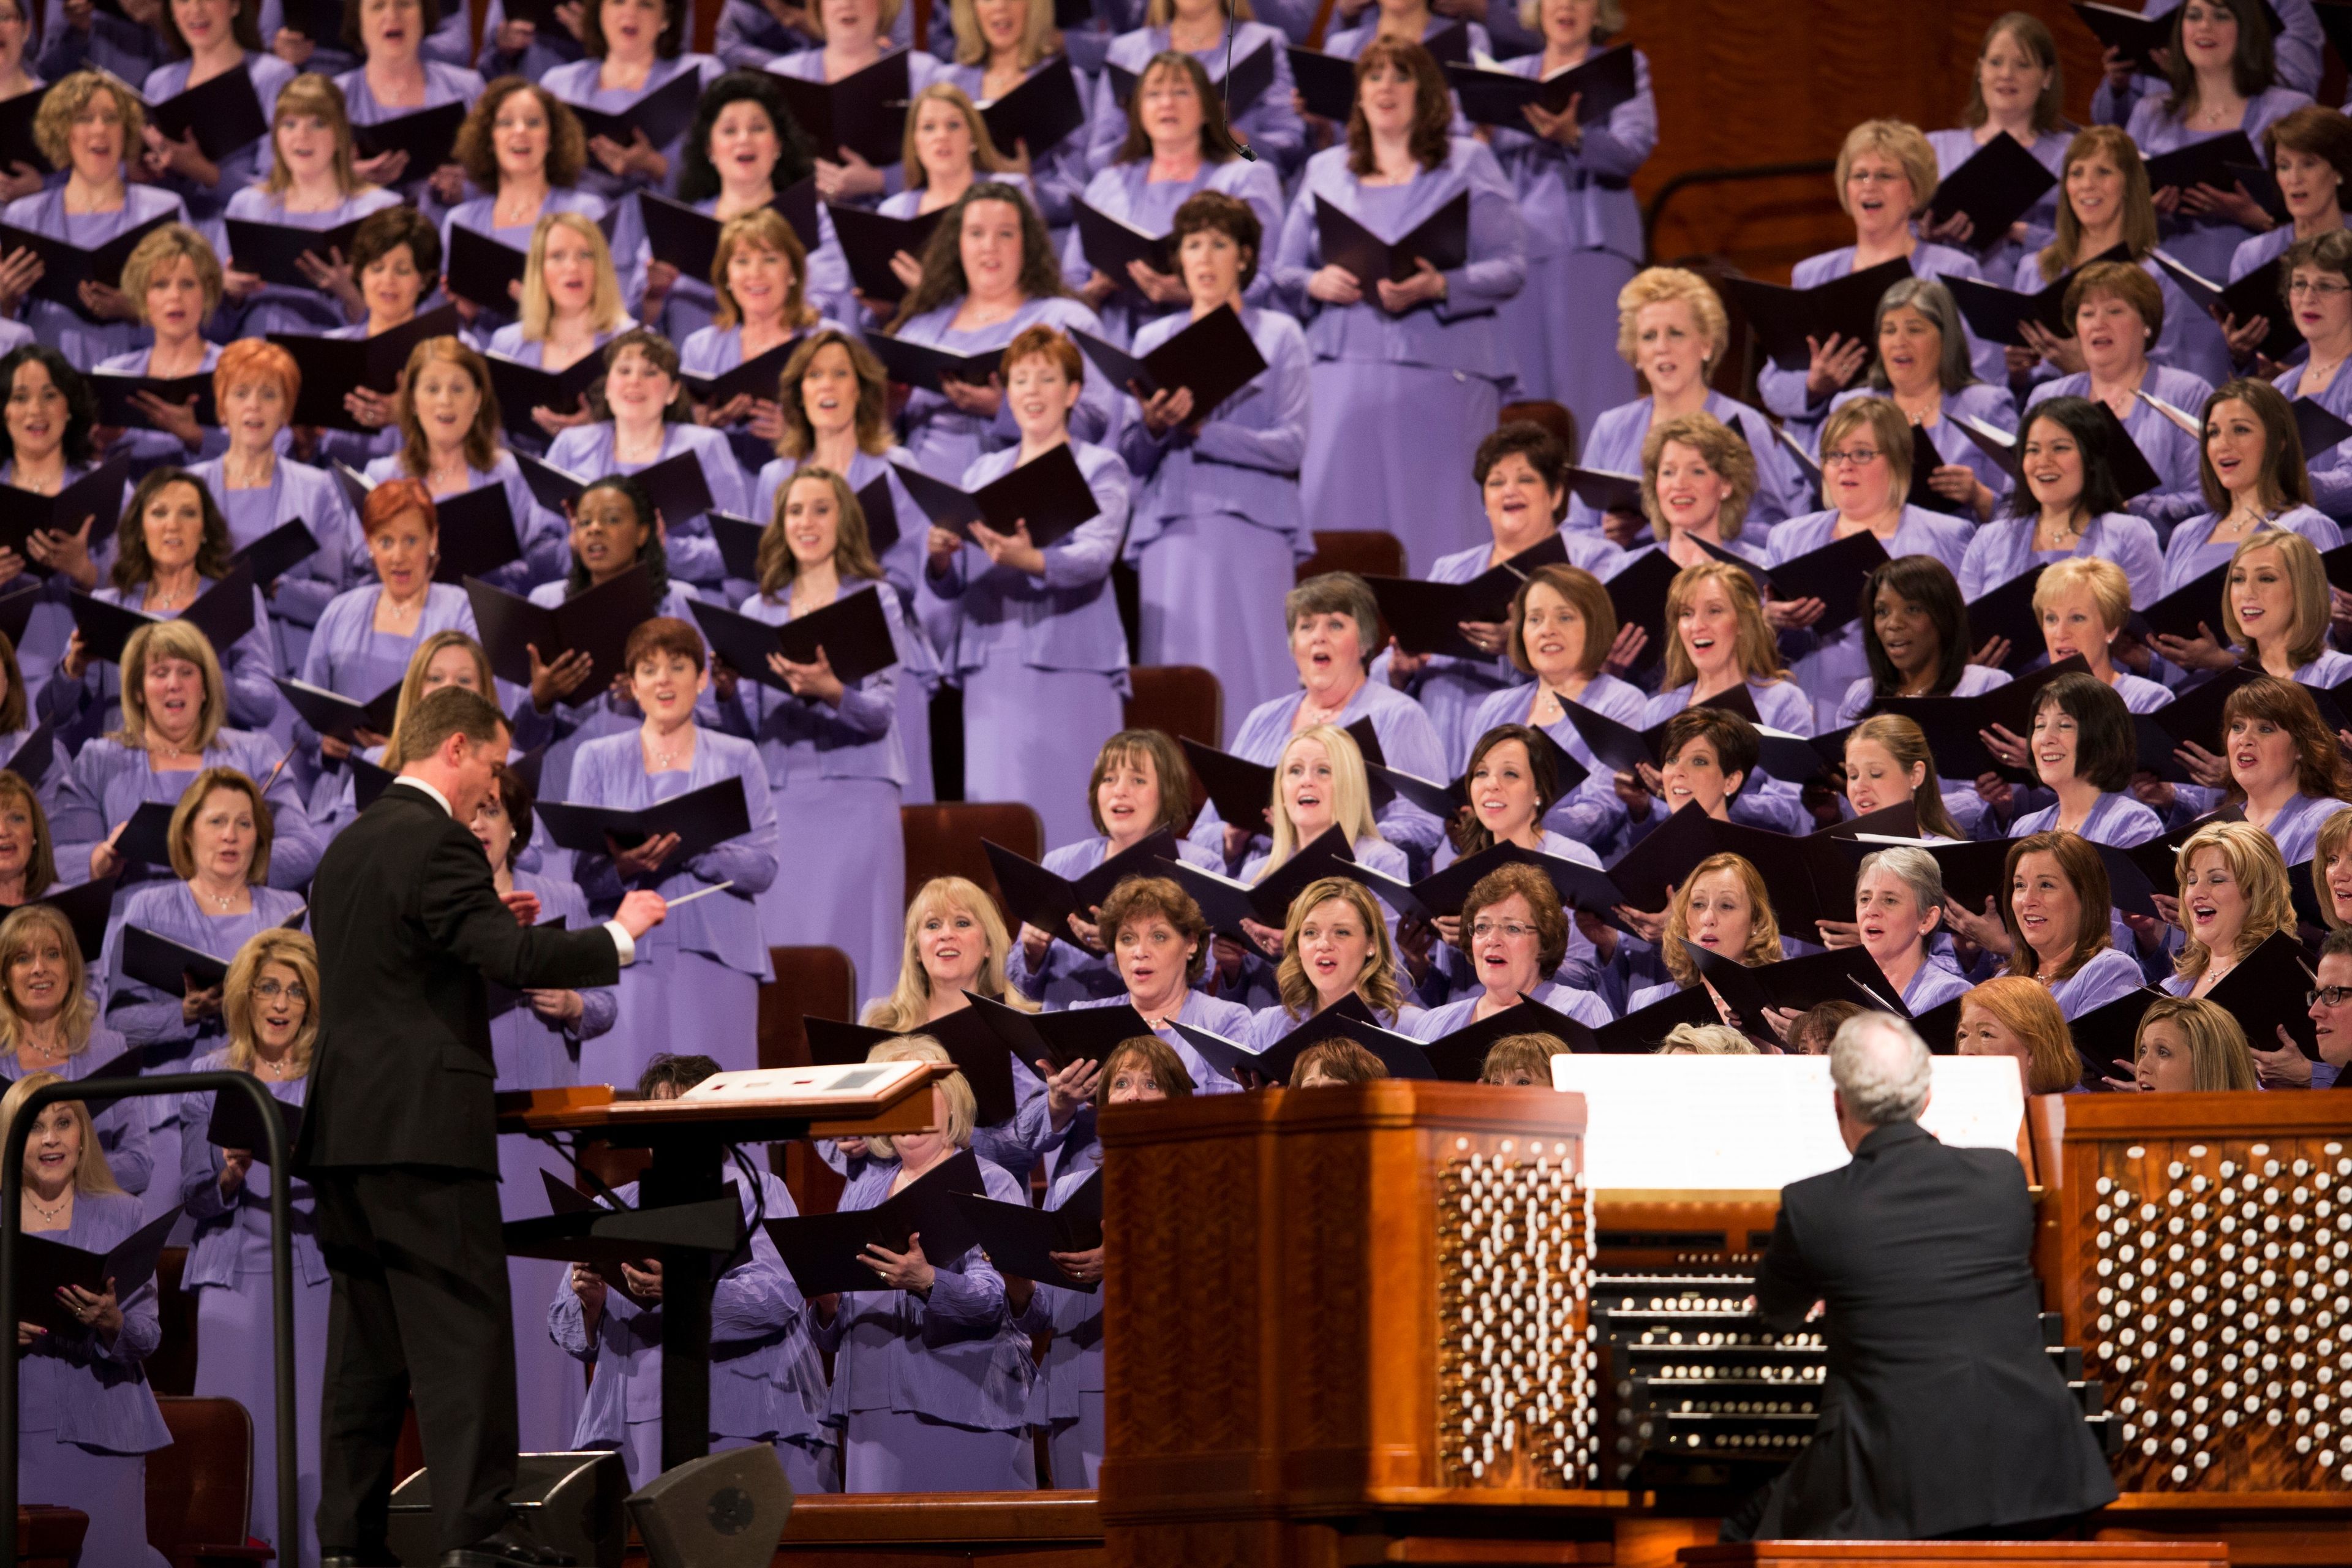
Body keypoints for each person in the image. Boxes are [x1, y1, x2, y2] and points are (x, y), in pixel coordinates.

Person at [303, 683, 665, 1568]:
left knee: (367, 1349)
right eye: (493, 769)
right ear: (455, 749)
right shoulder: (438, 840)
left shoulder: (347, 849)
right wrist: (616, 936)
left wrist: (484, 935)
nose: (493, 792)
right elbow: (509, 958)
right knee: (462, 1332)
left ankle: (349, 1542)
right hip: (425, 1129)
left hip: (345, 1135)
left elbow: (403, 971)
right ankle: (477, 1533)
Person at [1722, 1011, 2117, 1540]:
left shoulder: (1813, 1204)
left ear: (1838, 1102)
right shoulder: (2003, 1178)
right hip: (2039, 1467)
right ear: (1925, 1098)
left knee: (1738, 1531)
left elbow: (1775, 1313)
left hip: (1892, 1477)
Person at [1275, 39, 1525, 568]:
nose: (1385, 86)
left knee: (1443, 520)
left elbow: (1510, 265)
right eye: (1373, 76)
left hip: (1444, 369)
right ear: (1359, 97)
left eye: (1401, 75)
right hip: (1343, 372)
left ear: (1426, 93)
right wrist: (1317, 283)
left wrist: (1440, 286)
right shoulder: (1325, 169)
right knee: (1341, 523)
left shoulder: (1467, 162)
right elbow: (1284, 271)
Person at [550, 1051, 833, 1492]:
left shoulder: (756, 1189)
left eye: (687, 1113)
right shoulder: (612, 1202)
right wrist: (592, 1304)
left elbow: (778, 1295)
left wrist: (685, 1292)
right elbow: (565, 1328)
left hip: (740, 1406)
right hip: (633, 1418)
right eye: (660, 1114)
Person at [915, 325, 1130, 842]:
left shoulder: (1101, 465)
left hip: (1073, 656)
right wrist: (941, 560)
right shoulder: (982, 470)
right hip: (993, 661)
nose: (1032, 391)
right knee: (1001, 818)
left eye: (1046, 378)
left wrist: (1030, 557)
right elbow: (957, 580)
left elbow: (1097, 556)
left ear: (1073, 392)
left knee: (1076, 814)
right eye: (1021, 379)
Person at [1117, 189, 1311, 733]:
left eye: (1219, 244)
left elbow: (1292, 444)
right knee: (1181, 681)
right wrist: (1155, 426)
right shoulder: (1152, 337)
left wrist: (1204, 431)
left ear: (1245, 257)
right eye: (1193, 244)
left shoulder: (1279, 334)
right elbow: (1129, 454)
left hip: (1256, 525)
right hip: (1171, 527)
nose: (1203, 257)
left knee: (1256, 672)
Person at [466, 757, 614, 1455]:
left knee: (537, 1298)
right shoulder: (442, 904)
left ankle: (550, 1462)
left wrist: (574, 1002)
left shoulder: (561, 893)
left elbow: (607, 1001)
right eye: (469, 811)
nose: (480, 823)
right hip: (465, 1121)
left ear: (515, 824)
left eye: (493, 810)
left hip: (545, 1129)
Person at [812, 1032, 1036, 1489]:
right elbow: (835, 1328)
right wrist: (826, 1301)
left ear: (952, 1104)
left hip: (965, 1400)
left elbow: (1000, 1301)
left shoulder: (991, 1183)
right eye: (895, 1096)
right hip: (869, 1404)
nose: (908, 1110)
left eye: (920, 1094)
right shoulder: (860, 1192)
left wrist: (928, 1281)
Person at [728, 466, 921, 997]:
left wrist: (830, 689)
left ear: (845, 521)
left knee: (861, 940)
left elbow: (881, 713)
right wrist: (726, 689)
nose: (806, 522)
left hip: (858, 792)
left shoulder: (876, 598)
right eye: (794, 511)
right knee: (791, 942)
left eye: (820, 509)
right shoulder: (757, 608)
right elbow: (746, 723)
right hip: (784, 795)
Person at [568, 617, 777, 1083]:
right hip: (627, 955)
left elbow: (764, 868)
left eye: (678, 666)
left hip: (719, 954)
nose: (663, 678)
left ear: (701, 680)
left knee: (719, 1099)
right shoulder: (596, 758)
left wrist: (695, 850)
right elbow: (583, 876)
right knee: (628, 1097)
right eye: (649, 668)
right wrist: (624, 865)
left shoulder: (738, 755)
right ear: (632, 686)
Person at [178, 927, 328, 1568]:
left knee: (310, 1450)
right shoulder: (209, 1073)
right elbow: (192, 1193)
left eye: (296, 990)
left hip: (311, 1274)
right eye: (269, 985)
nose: (281, 1001)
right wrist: (229, 1175)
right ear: (246, 993)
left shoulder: (328, 1074)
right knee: (239, 1445)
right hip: (232, 1280)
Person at [747, 328, 940, 796]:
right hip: (795, 652)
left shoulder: (895, 465)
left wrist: (844, 567)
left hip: (879, 648)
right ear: (800, 392)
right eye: (815, 376)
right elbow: (766, 566)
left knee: (896, 792)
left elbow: (911, 574)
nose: (827, 386)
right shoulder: (776, 474)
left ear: (862, 387)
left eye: (840, 374)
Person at [99, 767, 307, 1199]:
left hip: (270, 1114)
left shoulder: (288, 910)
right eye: (217, 822)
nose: (231, 835)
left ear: (260, 836)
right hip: (171, 1115)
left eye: (244, 823)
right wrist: (184, 1013)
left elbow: (315, 1010)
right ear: (188, 833)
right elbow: (116, 1025)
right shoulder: (148, 908)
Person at [0, 1072, 174, 1568]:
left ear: (83, 1139)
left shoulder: (124, 1214)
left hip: (106, 1431)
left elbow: (148, 1335)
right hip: (17, 1434)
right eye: (33, 1127)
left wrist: (111, 1322)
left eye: (63, 1122)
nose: (51, 1138)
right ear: (11, 1140)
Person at [1379, 421, 1622, 761]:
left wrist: (1519, 642)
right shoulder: (1450, 570)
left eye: (1525, 479)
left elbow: (1610, 649)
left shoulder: (1593, 559)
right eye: (1496, 482)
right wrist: (1401, 668)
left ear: (1556, 495)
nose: (1510, 491)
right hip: (1443, 737)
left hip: (1539, 744)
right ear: (1485, 501)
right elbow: (1386, 672)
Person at [1012, 1031, 1188, 1487]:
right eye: (1123, 1084)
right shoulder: (1070, 1189)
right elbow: (1043, 1313)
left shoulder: (1200, 1184)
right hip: (1074, 1388)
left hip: (1169, 1384)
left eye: (1151, 1084)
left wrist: (1124, 1260)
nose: (1134, 1095)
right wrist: (1018, 1281)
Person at [1753, 120, 1994, 446]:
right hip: (1824, 444)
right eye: (1860, 175)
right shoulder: (1812, 274)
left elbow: (1983, 373)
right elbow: (1774, 384)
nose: (1870, 186)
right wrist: (1814, 386)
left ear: (1914, 191)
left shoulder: (1953, 269)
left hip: (1920, 440)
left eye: (1885, 175)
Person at [1183, 571, 1447, 868]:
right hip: (1260, 884)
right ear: (1293, 645)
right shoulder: (1263, 718)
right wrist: (1232, 837)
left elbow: (1422, 827)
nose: (1319, 637)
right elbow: (1203, 834)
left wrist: (1329, 834)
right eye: (1306, 626)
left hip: (1348, 888)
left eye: (1335, 625)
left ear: (1364, 643)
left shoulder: (1398, 715)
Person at [1474, 0, 1651, 430]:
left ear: (1600, 11)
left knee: (1593, 394)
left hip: (1592, 247)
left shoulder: (1622, 67)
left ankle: (1601, 495)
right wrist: (1480, 138)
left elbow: (1634, 145)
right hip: (1518, 252)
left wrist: (1574, 137)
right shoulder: (1510, 73)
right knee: (1526, 401)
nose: (1566, 5)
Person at [54, 620, 322, 892]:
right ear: (138, 692)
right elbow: (59, 858)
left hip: (235, 921)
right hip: (132, 919)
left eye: (186, 672)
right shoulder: (98, 760)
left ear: (205, 689)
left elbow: (304, 848)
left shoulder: (255, 752)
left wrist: (237, 863)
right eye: (160, 673)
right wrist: (98, 861)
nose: (174, 684)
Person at [861, 875, 1088, 1181]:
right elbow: (849, 1134)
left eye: (962, 923)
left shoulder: (1018, 1024)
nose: (946, 935)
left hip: (984, 1191)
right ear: (916, 949)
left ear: (989, 947)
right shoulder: (880, 1022)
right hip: (887, 1194)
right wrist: (850, 1137)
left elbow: (1020, 1148)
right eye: (932, 925)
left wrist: (1057, 1106)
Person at [1765, 396, 1973, 729]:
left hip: (1906, 719)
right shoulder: (1788, 538)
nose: (1845, 465)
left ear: (1898, 460)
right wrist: (1771, 621)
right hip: (1811, 712)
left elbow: (1961, 632)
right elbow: (1765, 652)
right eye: (1834, 454)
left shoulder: (1947, 537)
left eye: (1862, 453)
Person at [887, 183, 1116, 483]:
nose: (989, 246)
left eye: (1005, 233)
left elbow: (1094, 423)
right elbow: (884, 433)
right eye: (976, 233)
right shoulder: (920, 328)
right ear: (958, 244)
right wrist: (890, 404)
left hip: (1021, 496)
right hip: (925, 505)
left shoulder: (1065, 321)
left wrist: (1004, 407)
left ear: (1027, 245)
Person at [42, 464, 282, 749]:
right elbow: (53, 717)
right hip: (129, 768)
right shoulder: (108, 604)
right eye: (159, 513)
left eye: (188, 513)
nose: (173, 525)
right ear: (140, 530)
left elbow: (264, 703)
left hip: (213, 766)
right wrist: (74, 668)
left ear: (204, 530)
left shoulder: (235, 598)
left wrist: (204, 675)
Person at [1567, 268, 1805, 540]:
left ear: (1706, 345)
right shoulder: (1611, 427)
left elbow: (1777, 531)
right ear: (1637, 354)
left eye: (1676, 333)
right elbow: (1576, 533)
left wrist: (1710, 529)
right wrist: (1607, 538)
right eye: (1648, 336)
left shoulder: (1745, 423)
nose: (1661, 347)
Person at [1065, 50, 1281, 347]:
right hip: (1117, 337)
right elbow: (1072, 277)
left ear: (1208, 108)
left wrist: (1189, 292)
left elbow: (1265, 277)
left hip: (1213, 338)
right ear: (1138, 110)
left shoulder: (1244, 179)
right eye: (1154, 94)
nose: (1167, 103)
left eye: (1181, 92)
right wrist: (1094, 290)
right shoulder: (1109, 182)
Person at [185, 341, 369, 674]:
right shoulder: (189, 488)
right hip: (207, 666)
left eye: (269, 395)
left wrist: (276, 589)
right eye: (241, 393)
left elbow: (338, 598)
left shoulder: (318, 489)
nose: (254, 406)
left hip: (292, 667)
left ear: (287, 411)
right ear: (222, 407)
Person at [1008, 729, 1220, 1009]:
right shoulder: (1061, 863)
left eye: (1138, 780)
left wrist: (1118, 946)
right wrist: (1032, 953)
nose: (1120, 791)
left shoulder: (1198, 866)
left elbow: (1205, 968)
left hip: (1154, 1036)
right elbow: (1021, 984)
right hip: (1067, 1030)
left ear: (1167, 792)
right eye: (1109, 779)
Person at [524, 473, 701, 802]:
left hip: (662, 783)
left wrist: (654, 701)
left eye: (612, 519)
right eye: (585, 522)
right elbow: (517, 735)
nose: (594, 529)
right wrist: (542, 699)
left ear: (643, 532)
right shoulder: (546, 604)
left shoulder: (678, 604)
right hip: (567, 780)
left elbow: (713, 715)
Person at [0, 71, 192, 371]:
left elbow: (198, 309)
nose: (100, 130)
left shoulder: (162, 211)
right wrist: (5, 301)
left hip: (138, 376)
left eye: (111, 118)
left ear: (126, 131)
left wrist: (135, 310)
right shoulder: (25, 216)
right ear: (63, 132)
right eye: (85, 119)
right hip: (48, 380)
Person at [2015, 130, 2228, 394]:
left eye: (2103, 172)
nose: (2087, 185)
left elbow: (2159, 379)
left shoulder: (2157, 274)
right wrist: (2017, 373)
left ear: (2129, 185)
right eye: (2076, 173)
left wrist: (2080, 365)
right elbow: (2018, 387)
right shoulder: (2035, 269)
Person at [2119, 0, 2313, 284]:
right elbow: (2115, 214)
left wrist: (2254, 216)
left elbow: (2326, 219)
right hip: (2159, 288)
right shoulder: (2150, 112)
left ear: (2247, 30)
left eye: (2221, 16)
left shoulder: (2290, 111)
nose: (2204, 26)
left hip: (2257, 282)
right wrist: (2145, 212)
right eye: (2194, 16)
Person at [545, 328, 748, 592]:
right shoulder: (571, 444)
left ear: (673, 391)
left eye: (650, 372)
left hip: (677, 598)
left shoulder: (705, 446)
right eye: (624, 371)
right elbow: (540, 549)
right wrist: (575, 546)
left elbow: (736, 551)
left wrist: (664, 549)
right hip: (587, 595)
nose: (635, 382)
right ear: (607, 386)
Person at [1463, 562, 1646, 852]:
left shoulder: (1621, 702)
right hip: (1497, 862)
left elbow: (1602, 810)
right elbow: (1471, 798)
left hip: (1579, 871)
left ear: (1594, 625)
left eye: (1565, 618)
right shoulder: (1496, 707)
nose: (1547, 630)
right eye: (1535, 619)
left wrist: (1520, 824)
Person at [363, 335, 569, 593]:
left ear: (478, 399)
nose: (445, 400)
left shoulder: (510, 472)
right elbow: (360, 566)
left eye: (458, 389)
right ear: (413, 400)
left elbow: (540, 560)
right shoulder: (382, 476)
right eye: (432, 389)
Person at [299, 480, 486, 763]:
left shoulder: (459, 612)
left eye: (411, 540)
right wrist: (321, 741)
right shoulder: (340, 612)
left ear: (433, 539)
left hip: (426, 782)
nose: (399, 557)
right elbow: (304, 719)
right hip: (344, 782)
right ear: (369, 543)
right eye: (386, 542)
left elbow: (478, 713)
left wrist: (403, 748)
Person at [1628, 560, 1812, 835]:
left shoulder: (1783, 701)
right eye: (1687, 614)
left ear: (1742, 622)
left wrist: (1703, 795)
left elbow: (1786, 808)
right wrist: (1641, 805)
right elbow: (1652, 828)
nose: (1697, 626)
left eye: (1714, 611)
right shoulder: (1659, 709)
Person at [649, 70, 834, 342]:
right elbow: (643, 324)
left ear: (778, 145)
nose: (744, 139)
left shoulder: (815, 219)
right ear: (710, 149)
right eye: (729, 130)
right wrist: (653, 295)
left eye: (758, 128)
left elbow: (826, 302)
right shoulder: (676, 226)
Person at [223, 74, 403, 337]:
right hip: (258, 355)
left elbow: (398, 319)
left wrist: (349, 293)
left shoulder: (379, 210)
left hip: (338, 351)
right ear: (276, 135)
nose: (302, 136)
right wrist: (230, 293)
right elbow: (216, 323)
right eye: (290, 124)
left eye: (318, 124)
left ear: (340, 135)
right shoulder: (247, 206)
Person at [1829, 277, 2016, 522]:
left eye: (1914, 330)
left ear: (1945, 339)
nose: (1899, 342)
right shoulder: (1852, 407)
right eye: (1889, 330)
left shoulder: (1987, 406)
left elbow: (2023, 510)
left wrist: (1978, 496)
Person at [1958, 395, 2165, 615]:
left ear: (2091, 459)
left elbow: (2145, 632)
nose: (2043, 462)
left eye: (2060, 448)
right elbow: (1966, 628)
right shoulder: (1990, 539)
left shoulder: (2131, 535)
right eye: (2033, 450)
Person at [538, 0, 723, 241]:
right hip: (574, 237)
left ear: (666, 18)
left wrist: (654, 165)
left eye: (645, 4)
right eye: (618, 2)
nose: (630, 13)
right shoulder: (558, 85)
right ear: (599, 12)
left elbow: (723, 176)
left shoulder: (701, 77)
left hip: (664, 239)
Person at [0, 903, 151, 1197]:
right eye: (23, 958)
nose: (39, 968)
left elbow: (139, 1165)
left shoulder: (110, 1049)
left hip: (98, 1226)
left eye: (53, 954)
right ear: (4, 978)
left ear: (71, 970)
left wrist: (66, 1170)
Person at [440, 79, 614, 334]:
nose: (520, 131)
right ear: (490, 140)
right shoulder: (461, 221)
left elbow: (606, 308)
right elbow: (452, 329)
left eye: (533, 122)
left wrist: (542, 308)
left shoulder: (585, 213)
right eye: (506, 122)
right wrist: (465, 315)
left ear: (551, 139)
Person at [2155, 379, 2343, 609]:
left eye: (2241, 430)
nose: (2223, 445)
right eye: (2213, 433)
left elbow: (2320, 633)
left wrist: (2217, 649)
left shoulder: (2306, 527)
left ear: (2280, 440)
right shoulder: (2185, 534)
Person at [677, 208, 832, 477]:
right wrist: (702, 428)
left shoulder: (826, 343)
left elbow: (860, 433)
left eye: (770, 259)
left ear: (792, 272)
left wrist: (800, 436)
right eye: (742, 261)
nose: (756, 273)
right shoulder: (699, 349)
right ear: (726, 277)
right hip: (724, 489)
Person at [138, 0, 298, 251]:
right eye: (183, 1)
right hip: (173, 242)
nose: (196, 9)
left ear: (235, 6)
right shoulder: (159, 83)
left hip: (241, 238)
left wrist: (202, 170)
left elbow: (279, 188)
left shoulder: (273, 77)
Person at [1066, 876, 1251, 1091]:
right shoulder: (1084, 1019)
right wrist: (1059, 1104)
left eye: (1159, 936)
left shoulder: (1225, 1021)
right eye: (1127, 938)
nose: (1140, 952)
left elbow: (1228, 1114)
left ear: (1191, 943)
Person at [1926, 13, 2071, 279]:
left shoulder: (2070, 153)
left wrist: (2018, 232)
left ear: (2047, 77)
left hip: (2041, 290)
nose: (2006, 74)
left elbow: (2094, 240)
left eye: (2022, 65)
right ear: (1980, 70)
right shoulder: (1934, 148)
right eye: (1995, 62)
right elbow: (1901, 234)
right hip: (1950, 294)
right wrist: (1927, 232)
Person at [1944, 829, 2146, 1020]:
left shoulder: (2110, 971)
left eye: (2046, 885)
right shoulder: (2005, 978)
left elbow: (2083, 1058)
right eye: (2020, 886)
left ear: (2086, 897)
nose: (2027, 900)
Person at [1085, 0, 1303, 177]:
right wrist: (1150, 139)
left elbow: (1287, 155)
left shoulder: (1263, 44)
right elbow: (1097, 160)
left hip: (1230, 189)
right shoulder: (1127, 52)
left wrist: (1230, 140)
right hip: (1148, 191)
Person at [308, 207, 446, 475]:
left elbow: (482, 442)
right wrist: (304, 441)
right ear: (360, 274)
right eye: (377, 268)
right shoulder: (329, 349)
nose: (387, 281)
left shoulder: (452, 351)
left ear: (425, 280)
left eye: (403, 270)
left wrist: (406, 416)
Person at [486, 211, 639, 451]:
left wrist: (594, 429)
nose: (572, 267)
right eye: (557, 256)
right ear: (539, 270)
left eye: (585, 255)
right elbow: (491, 433)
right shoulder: (507, 344)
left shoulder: (633, 341)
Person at [1405, 862, 1611, 1036]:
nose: (1493, 940)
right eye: (1482, 927)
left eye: (1512, 928)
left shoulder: (1578, 1012)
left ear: (1545, 941)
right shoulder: (1433, 1024)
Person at [91, 223, 230, 476]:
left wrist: (197, 437)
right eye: (161, 285)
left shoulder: (233, 371)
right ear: (143, 295)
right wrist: (99, 443)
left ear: (207, 291)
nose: (175, 296)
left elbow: (260, 456)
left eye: (188, 284)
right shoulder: (112, 374)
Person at [937, 0, 1087, 230]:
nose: (1000, 6)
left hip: (1036, 235)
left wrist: (1027, 186)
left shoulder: (1063, 82)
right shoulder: (947, 84)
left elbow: (1079, 187)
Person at [331, 0, 486, 213]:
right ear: (358, 21)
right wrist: (345, 179)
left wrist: (469, 187)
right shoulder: (334, 98)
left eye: (405, 4)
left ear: (424, 15)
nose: (393, 15)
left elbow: (502, 178)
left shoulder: (468, 88)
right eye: (378, 6)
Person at [1238, 875, 1414, 1051]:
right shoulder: (1265, 1027)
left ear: (1372, 944)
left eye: (1342, 932)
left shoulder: (1410, 1028)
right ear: (1297, 945)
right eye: (1310, 932)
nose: (1323, 945)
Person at [1988, 673, 2163, 846]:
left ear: (2102, 737)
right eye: (2040, 725)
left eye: (2064, 725)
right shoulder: (2025, 829)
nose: (2045, 738)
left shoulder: (2132, 823)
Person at [1617, 851, 1785, 1019]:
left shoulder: (1782, 1011)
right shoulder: (1645, 1003)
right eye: (1698, 904)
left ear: (1755, 922)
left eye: (1726, 906)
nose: (1707, 918)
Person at [2207, 673, 2352, 866]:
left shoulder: (2327, 819)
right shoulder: (2209, 825)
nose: (2245, 739)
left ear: (2300, 747)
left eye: (2265, 729)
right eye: (2237, 727)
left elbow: (2313, 896)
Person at [1626, 410, 1771, 575]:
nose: (1679, 484)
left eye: (1697, 471)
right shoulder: (1627, 568)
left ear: (1726, 484)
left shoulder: (1759, 570)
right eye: (1668, 472)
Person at [2228, 104, 2352, 292]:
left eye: (2309, 164)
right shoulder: (2253, 256)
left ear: (2338, 171)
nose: (2294, 179)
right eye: (2284, 166)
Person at [2273, 228, 2352, 522]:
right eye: (2299, 284)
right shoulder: (2281, 387)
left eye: (2326, 286)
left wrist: (2279, 484)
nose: (2308, 297)